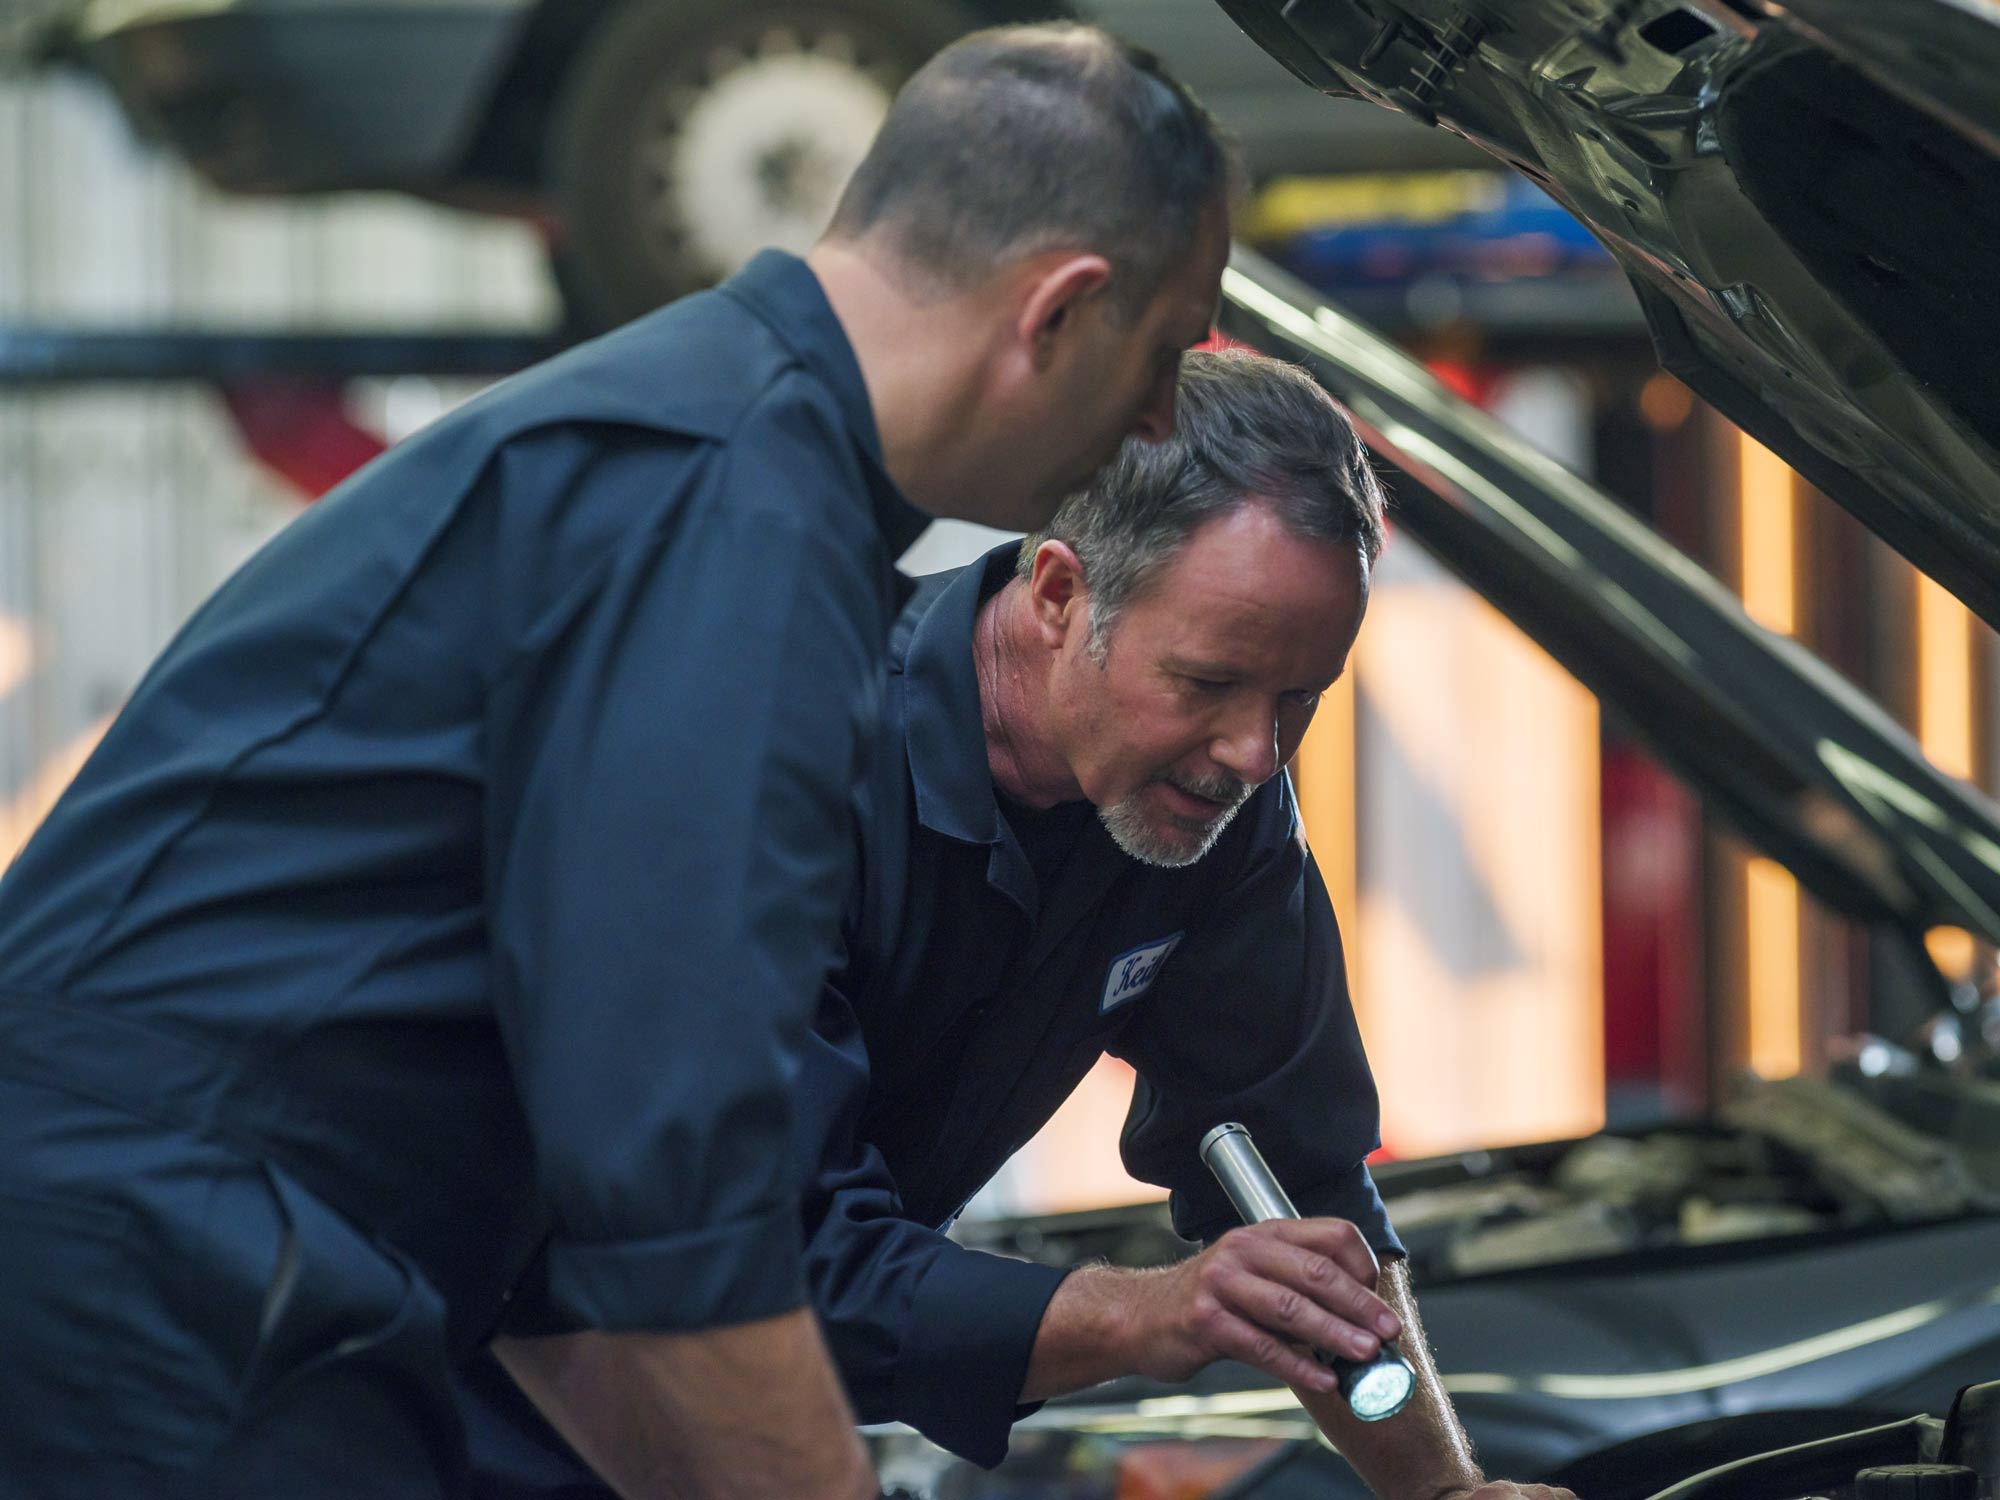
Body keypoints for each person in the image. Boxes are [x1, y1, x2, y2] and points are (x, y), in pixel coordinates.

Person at [0, 24, 1232, 1500]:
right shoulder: (737, 521)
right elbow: (672, 1192)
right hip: (171, 1284)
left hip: (191, 1260)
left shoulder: (705, 440)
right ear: (1060, 310)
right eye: (1165, 354)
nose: (1163, 418)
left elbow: (599, 1246)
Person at [469, 351, 1578, 1499]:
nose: (1254, 752)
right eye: (1206, 682)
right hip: (458, 1393)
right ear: (1057, 595)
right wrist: (1141, 1311)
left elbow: (1308, 1187)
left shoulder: (1210, 809)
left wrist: (1441, 1487)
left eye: (1300, 696)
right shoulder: (766, 768)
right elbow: (764, 1258)